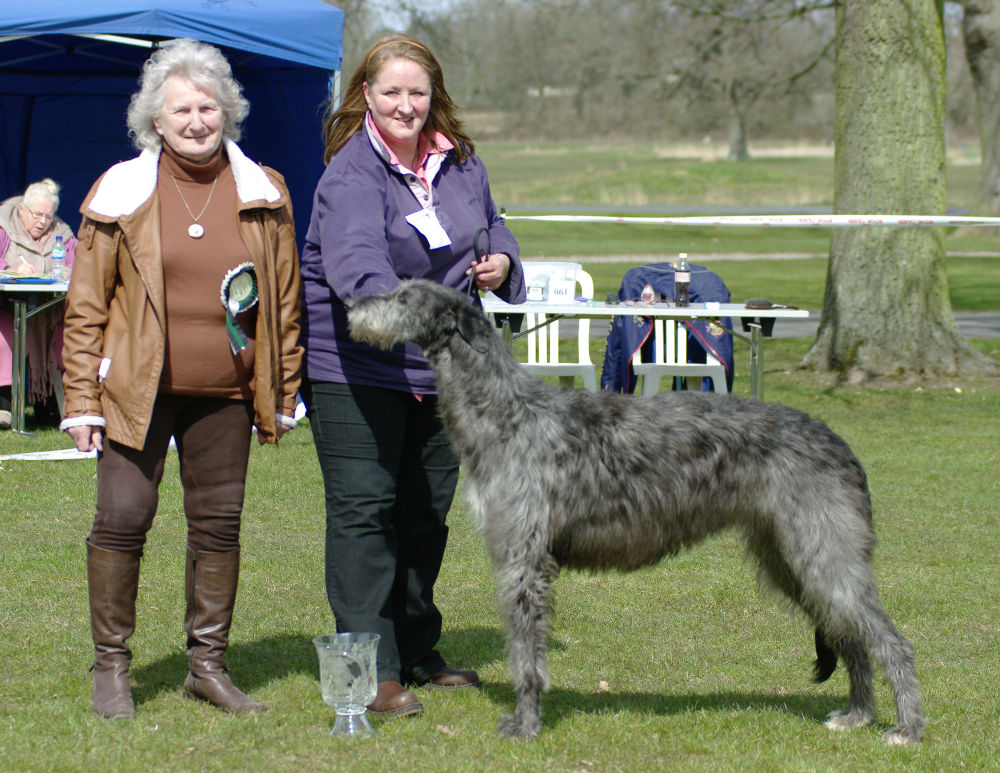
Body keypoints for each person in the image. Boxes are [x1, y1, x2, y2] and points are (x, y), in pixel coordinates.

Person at [60, 38, 302, 719]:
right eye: (181, 110)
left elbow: (283, 301)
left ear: (227, 111)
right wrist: (82, 399)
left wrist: (281, 390)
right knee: (122, 519)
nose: (197, 120)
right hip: (136, 390)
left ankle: (207, 665)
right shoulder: (120, 189)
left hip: (227, 390)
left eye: (208, 107)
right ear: (154, 122)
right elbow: (85, 306)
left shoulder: (266, 190)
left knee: (219, 527)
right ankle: (112, 667)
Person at [300, 33, 526, 718]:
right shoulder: (350, 176)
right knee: (366, 512)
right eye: (391, 91)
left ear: (435, 97)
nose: (405, 105)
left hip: (444, 367)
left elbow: (492, 227)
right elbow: (359, 269)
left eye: (417, 92)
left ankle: (419, 649)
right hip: (357, 365)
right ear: (366, 95)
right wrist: (420, 309)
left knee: (425, 512)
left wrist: (503, 264)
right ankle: (371, 671)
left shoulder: (460, 165)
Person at [0, 178, 78, 428]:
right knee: (5, 336)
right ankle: (4, 405)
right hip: (7, 304)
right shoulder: (3, 226)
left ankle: (50, 405)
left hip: (49, 307)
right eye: (37, 215)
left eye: (48, 216)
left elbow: (79, 264)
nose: (43, 222)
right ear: (22, 209)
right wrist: (11, 268)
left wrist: (68, 271)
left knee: (63, 334)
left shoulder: (62, 235)